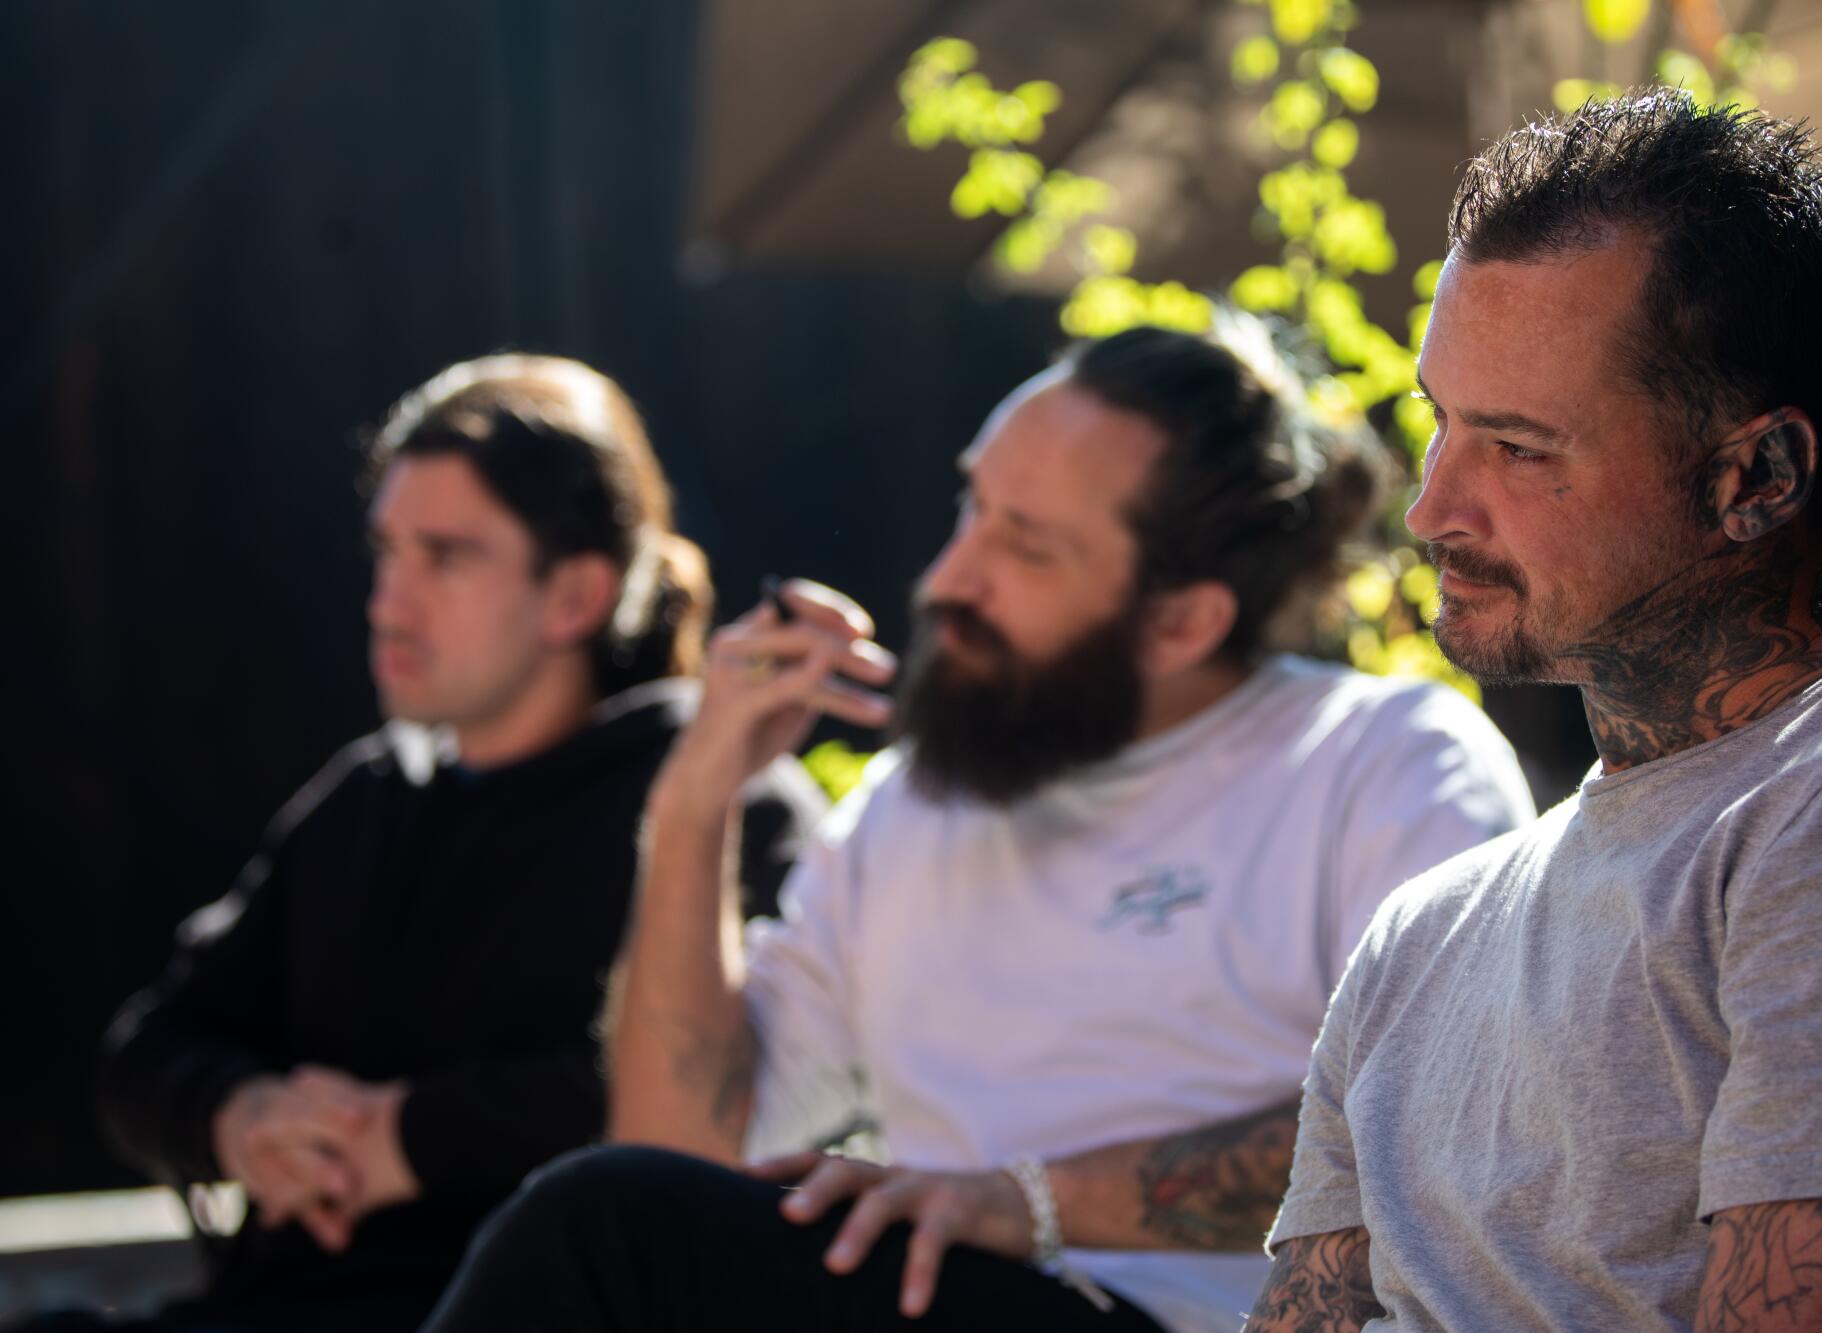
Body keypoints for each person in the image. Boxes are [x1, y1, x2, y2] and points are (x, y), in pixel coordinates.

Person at [418, 316, 1536, 1333]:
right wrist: (691, 798)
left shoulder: (1381, 760)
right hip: (926, 1300)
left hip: (1203, 1321)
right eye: (973, 507)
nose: (951, 575)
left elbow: (1430, 1138)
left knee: (597, 1229)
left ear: (1182, 619)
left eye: (1026, 547)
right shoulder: (911, 807)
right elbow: (679, 1145)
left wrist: (1028, 1203)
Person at [1251, 92, 1822, 1333]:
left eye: (1518, 448)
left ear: (1752, 478)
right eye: (1440, 422)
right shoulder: (1419, 933)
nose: (1430, 507)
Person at [86, 356, 824, 1332]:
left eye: (444, 557)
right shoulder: (368, 800)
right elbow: (150, 1046)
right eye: (386, 552)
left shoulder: (721, 799)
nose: (388, 600)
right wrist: (243, 1116)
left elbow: (730, 1094)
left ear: (573, 596)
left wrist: (411, 1138)